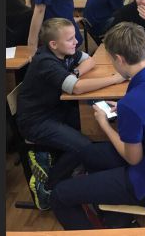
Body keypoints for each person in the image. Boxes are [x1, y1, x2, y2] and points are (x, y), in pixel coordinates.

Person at [48, 22, 145, 229]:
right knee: (89, 154)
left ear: (119, 59)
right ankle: (114, 218)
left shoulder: (131, 104)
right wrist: (124, 109)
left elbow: (133, 159)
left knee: (59, 196)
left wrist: (105, 124)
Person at [16, 18, 126, 210]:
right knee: (84, 147)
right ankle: (47, 186)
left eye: (75, 37)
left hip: (57, 110)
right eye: (70, 39)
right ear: (53, 44)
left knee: (99, 121)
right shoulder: (46, 62)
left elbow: (89, 60)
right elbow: (77, 88)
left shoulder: (65, 52)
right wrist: (115, 78)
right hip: (36, 121)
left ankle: (78, 168)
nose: (76, 41)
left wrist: (73, 73)